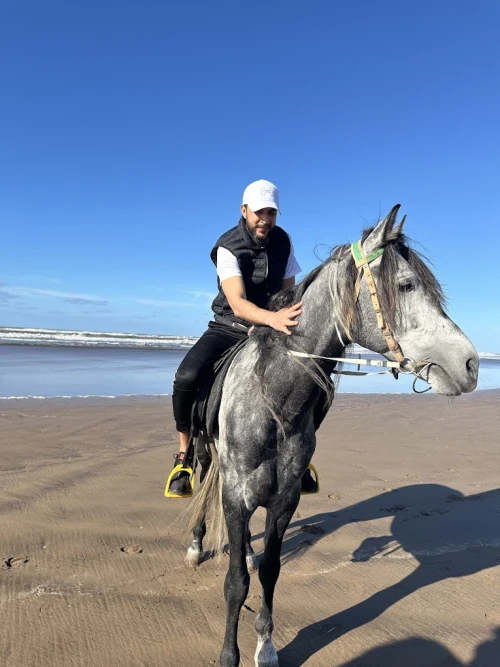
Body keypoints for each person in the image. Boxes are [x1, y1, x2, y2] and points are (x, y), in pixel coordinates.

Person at [167, 179, 318, 496]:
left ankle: (300, 454)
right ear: (244, 210)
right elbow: (236, 301)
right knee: (185, 377)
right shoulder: (227, 246)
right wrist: (267, 319)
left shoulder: (283, 241)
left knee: (317, 379)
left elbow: (287, 292)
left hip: (271, 327)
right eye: (259, 212)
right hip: (229, 327)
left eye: (271, 213)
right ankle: (184, 454)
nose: (265, 219)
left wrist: (277, 321)